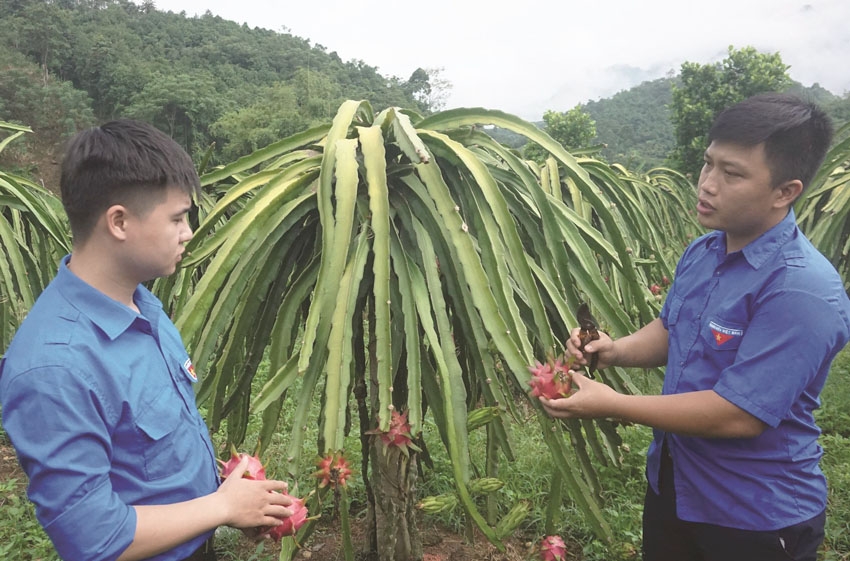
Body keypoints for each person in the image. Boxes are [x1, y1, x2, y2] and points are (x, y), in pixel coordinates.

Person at [541, 93, 850, 561]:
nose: (707, 184)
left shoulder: (801, 289)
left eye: (733, 174)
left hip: (755, 515)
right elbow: (673, 330)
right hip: (675, 486)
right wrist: (615, 349)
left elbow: (738, 414)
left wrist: (614, 404)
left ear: (785, 191)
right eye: (708, 164)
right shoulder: (704, 252)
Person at [0, 120, 293, 561]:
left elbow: (146, 450)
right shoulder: (54, 368)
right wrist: (221, 507)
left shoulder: (141, 305)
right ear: (118, 221)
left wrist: (230, 494)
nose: (188, 232)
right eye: (177, 217)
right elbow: (96, 541)